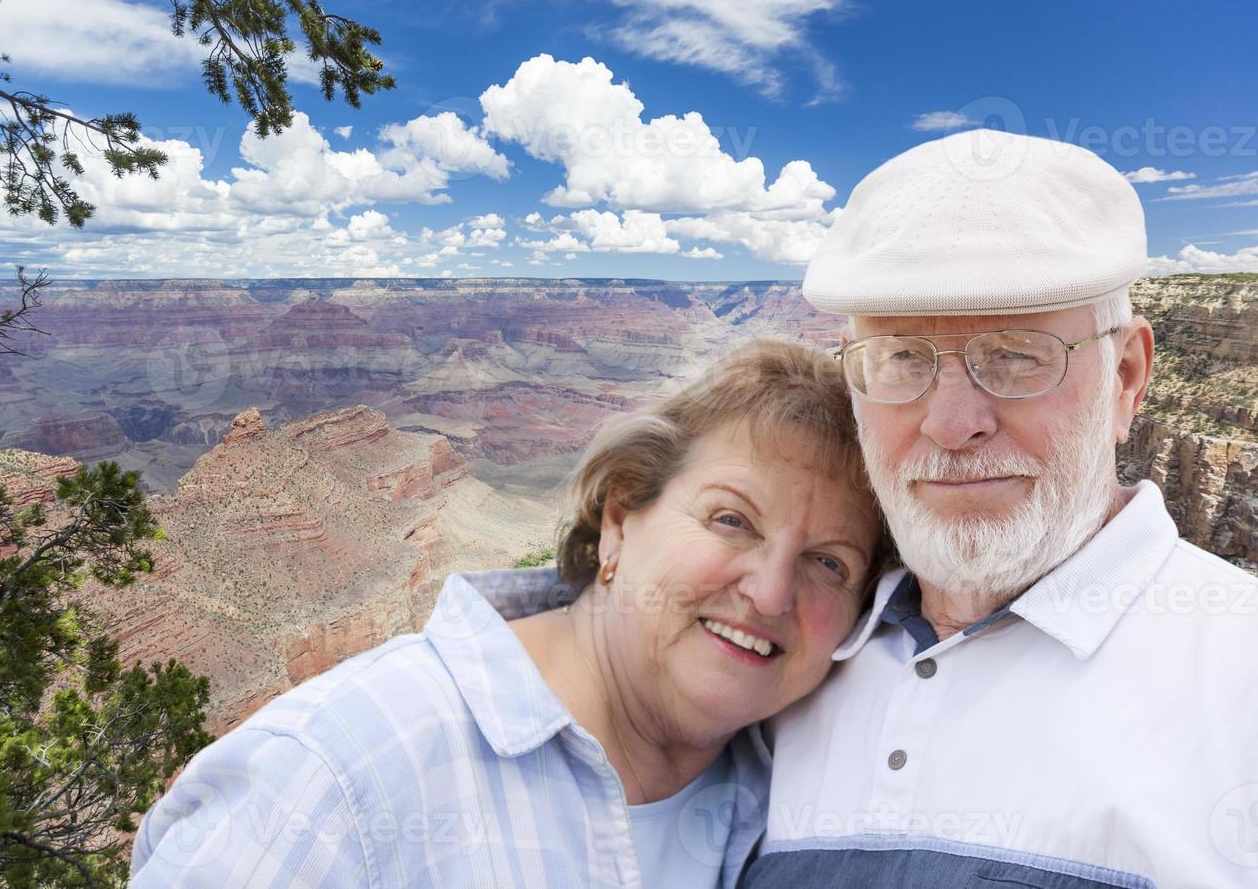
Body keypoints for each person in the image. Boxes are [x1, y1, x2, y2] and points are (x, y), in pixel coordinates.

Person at [130, 339, 886, 888]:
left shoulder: (799, 804)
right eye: (732, 520)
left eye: (830, 562)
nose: (771, 591)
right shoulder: (331, 778)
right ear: (620, 519)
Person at [742, 128, 1258, 888]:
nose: (951, 424)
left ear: (1126, 377)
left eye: (1016, 353)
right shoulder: (783, 660)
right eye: (901, 358)